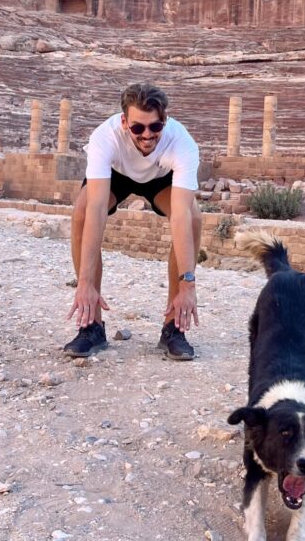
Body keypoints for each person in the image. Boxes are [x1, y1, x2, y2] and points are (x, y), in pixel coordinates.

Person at [64, 83, 202, 361]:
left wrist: (189, 286)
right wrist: (85, 282)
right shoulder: (105, 137)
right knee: (81, 212)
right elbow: (97, 207)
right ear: (125, 121)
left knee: (194, 218)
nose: (147, 135)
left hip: (161, 177)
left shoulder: (181, 142)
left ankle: (173, 328)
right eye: (138, 128)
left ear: (165, 120)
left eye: (155, 127)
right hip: (117, 175)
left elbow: (182, 216)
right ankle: (92, 326)